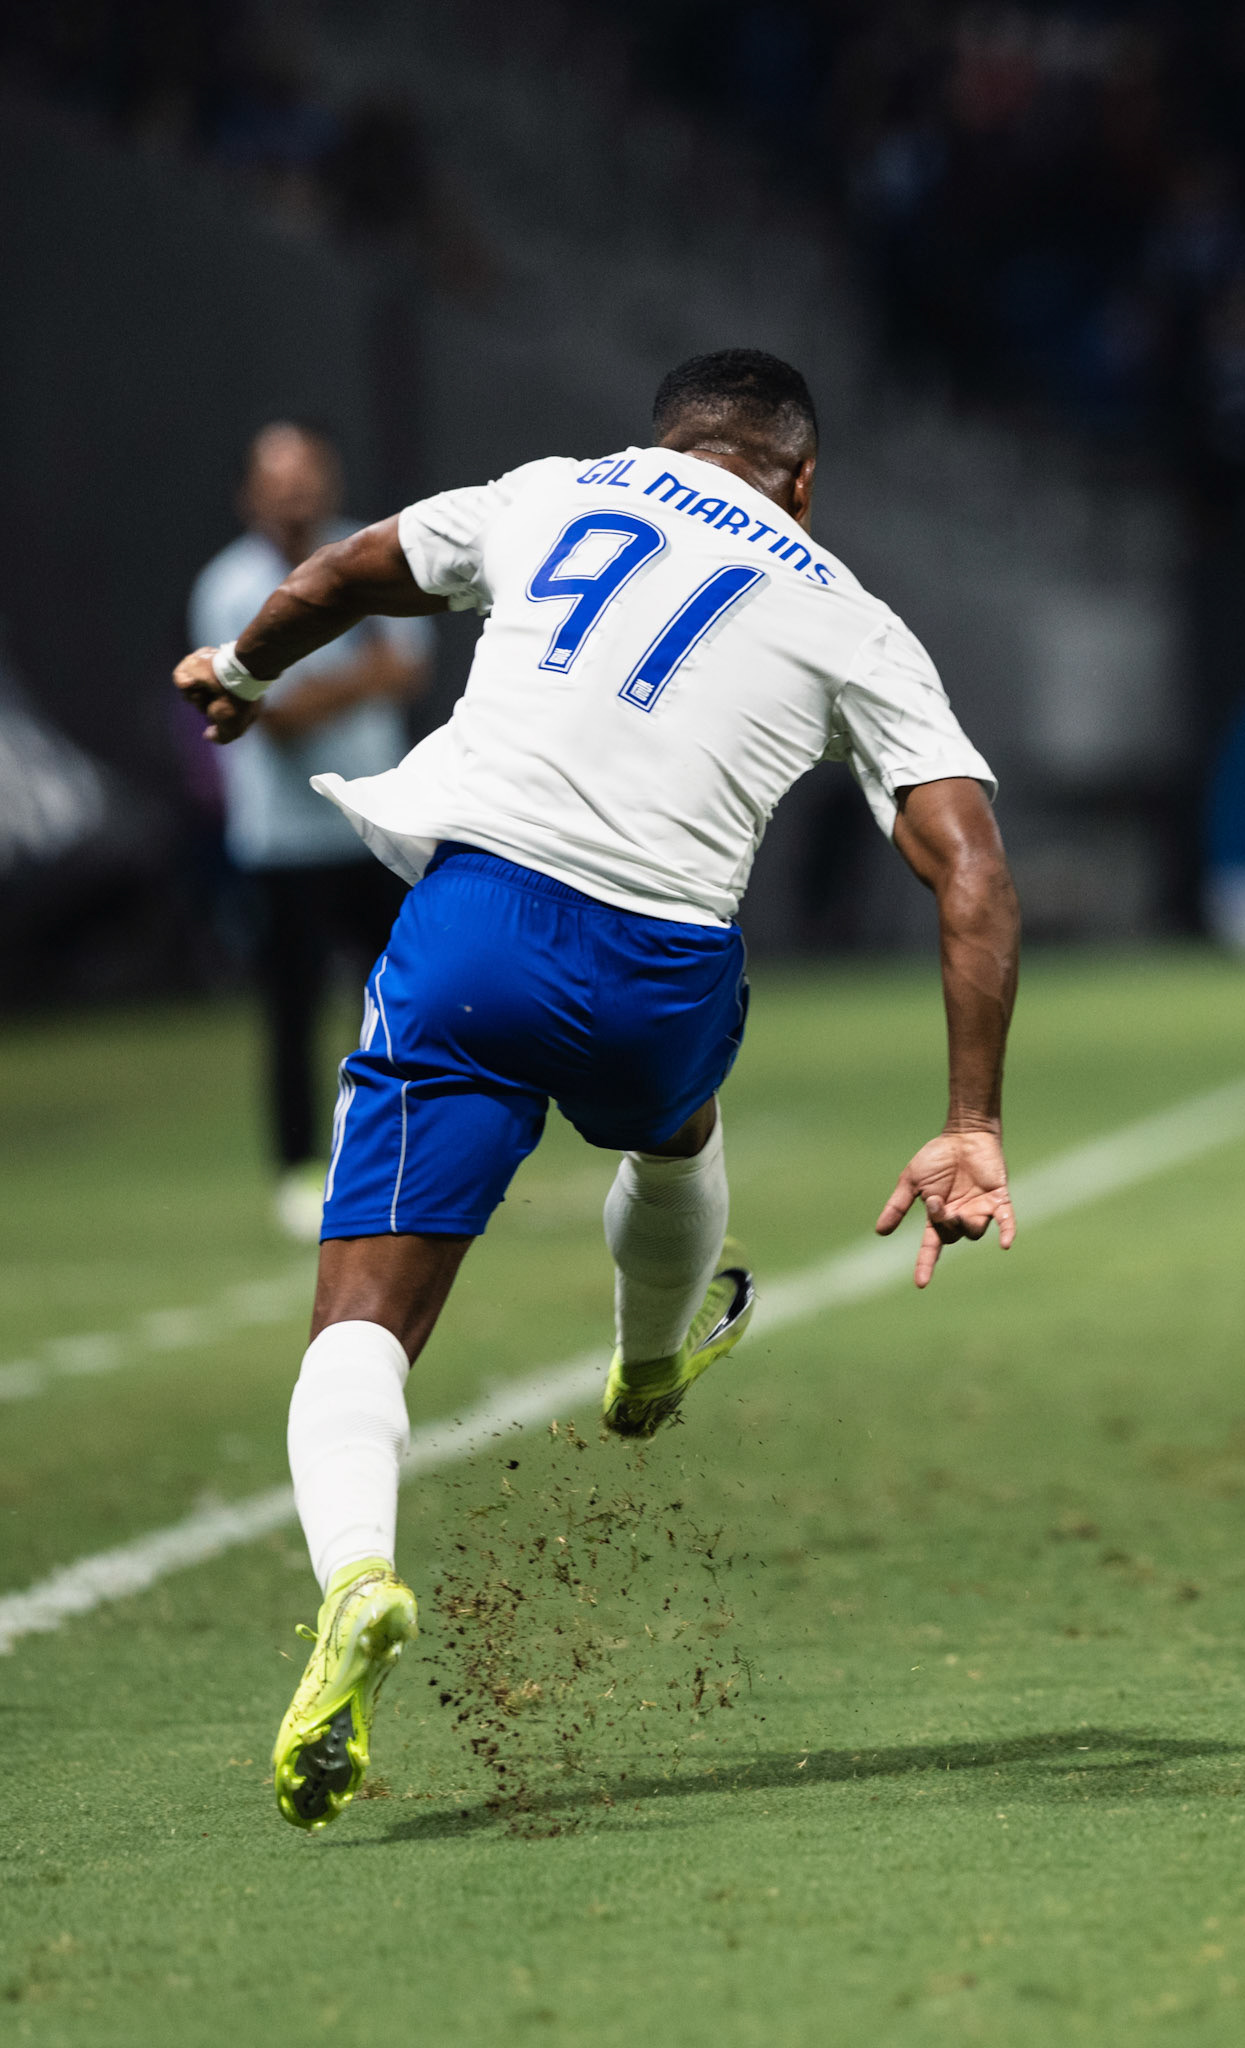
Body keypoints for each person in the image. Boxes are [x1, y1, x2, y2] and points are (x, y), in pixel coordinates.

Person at [174, 349, 1021, 1832]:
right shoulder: (846, 608)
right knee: (678, 1133)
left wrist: (241, 672)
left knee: (360, 1320)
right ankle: (644, 1366)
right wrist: (971, 1121)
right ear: (802, 479)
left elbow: (352, 571)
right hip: (662, 968)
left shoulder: (555, 494)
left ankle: (358, 1576)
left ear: (667, 441)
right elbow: (972, 871)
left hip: (474, 933)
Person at [188, 421, 433, 1239]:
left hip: (376, 823)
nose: (295, 496)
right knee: (291, 1012)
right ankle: (297, 1168)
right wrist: (360, 677)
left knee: (409, 997)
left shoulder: (369, 553)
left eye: (307, 478)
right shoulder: (229, 586)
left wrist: (319, 683)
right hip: (283, 840)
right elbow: (275, 715)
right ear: (248, 495)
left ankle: (413, 1152)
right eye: (278, 482)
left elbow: (409, 669)